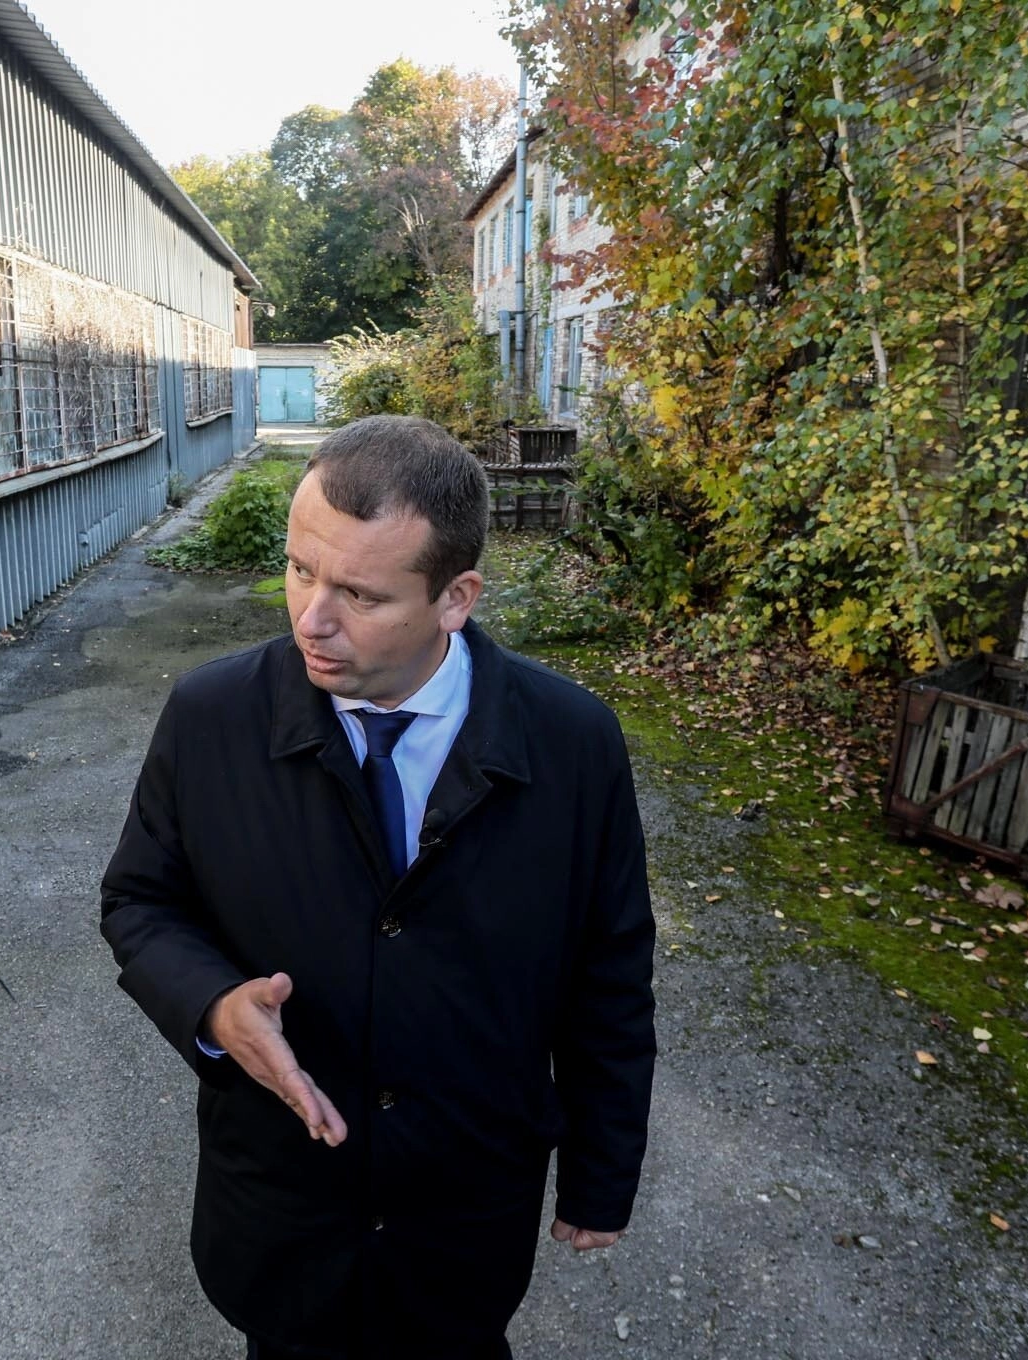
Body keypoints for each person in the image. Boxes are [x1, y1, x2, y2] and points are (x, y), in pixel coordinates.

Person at [100, 414, 655, 1359]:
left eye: (359, 592)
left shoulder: (573, 744)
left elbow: (608, 974)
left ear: (456, 597)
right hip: (282, 1210)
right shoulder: (210, 719)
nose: (310, 618)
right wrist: (211, 1005)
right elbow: (141, 902)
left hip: (464, 1215)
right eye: (300, 570)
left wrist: (602, 1172)